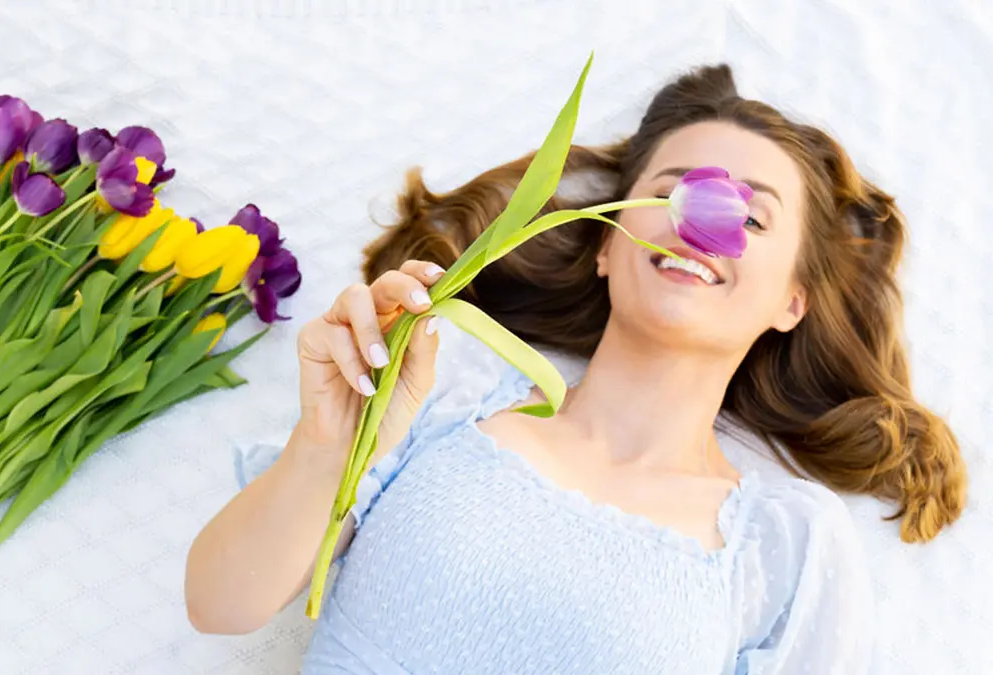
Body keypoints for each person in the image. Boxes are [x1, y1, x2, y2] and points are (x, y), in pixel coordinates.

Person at [184, 64, 968, 674]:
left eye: (751, 216)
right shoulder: (442, 393)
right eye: (671, 191)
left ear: (792, 301)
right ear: (604, 243)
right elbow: (220, 603)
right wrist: (327, 444)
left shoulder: (787, 546)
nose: (699, 224)